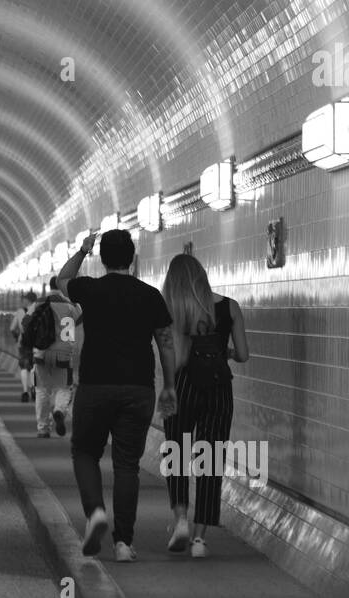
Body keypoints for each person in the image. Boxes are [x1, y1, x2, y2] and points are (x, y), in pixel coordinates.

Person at [58, 229, 178, 563]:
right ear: (132, 257)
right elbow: (165, 342)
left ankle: (95, 512)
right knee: (127, 465)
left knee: (85, 452)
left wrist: (82, 250)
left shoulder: (89, 288)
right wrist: (169, 385)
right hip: (138, 388)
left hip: (96, 385)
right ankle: (123, 543)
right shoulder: (150, 295)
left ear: (103, 257)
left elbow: (62, 278)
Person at [161, 254, 249, 559]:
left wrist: (168, 388)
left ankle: (181, 520)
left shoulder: (173, 309)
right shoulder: (230, 306)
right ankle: (199, 538)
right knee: (211, 460)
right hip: (219, 388)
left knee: (176, 453)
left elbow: (177, 356)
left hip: (184, 385)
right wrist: (222, 352)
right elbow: (244, 354)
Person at [27, 278, 81, 438]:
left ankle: (43, 428)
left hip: (41, 353)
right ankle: (59, 410)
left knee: (42, 390)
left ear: (49, 287)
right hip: (63, 353)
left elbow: (27, 325)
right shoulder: (70, 305)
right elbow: (79, 320)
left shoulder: (37, 303)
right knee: (64, 388)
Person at [9, 295, 35, 402]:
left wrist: (17, 338)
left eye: (24, 300)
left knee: (24, 367)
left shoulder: (20, 312)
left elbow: (12, 328)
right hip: (37, 344)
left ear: (28, 300)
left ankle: (25, 392)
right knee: (34, 367)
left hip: (23, 343)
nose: (23, 302)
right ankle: (33, 388)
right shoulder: (40, 309)